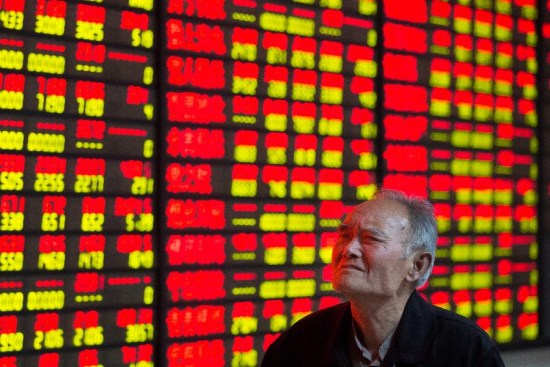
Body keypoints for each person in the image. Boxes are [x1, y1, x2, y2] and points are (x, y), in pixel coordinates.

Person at [261, 188, 505, 367]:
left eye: (371, 239)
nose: (348, 249)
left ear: (417, 266)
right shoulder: (301, 343)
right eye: (345, 236)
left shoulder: (465, 350)